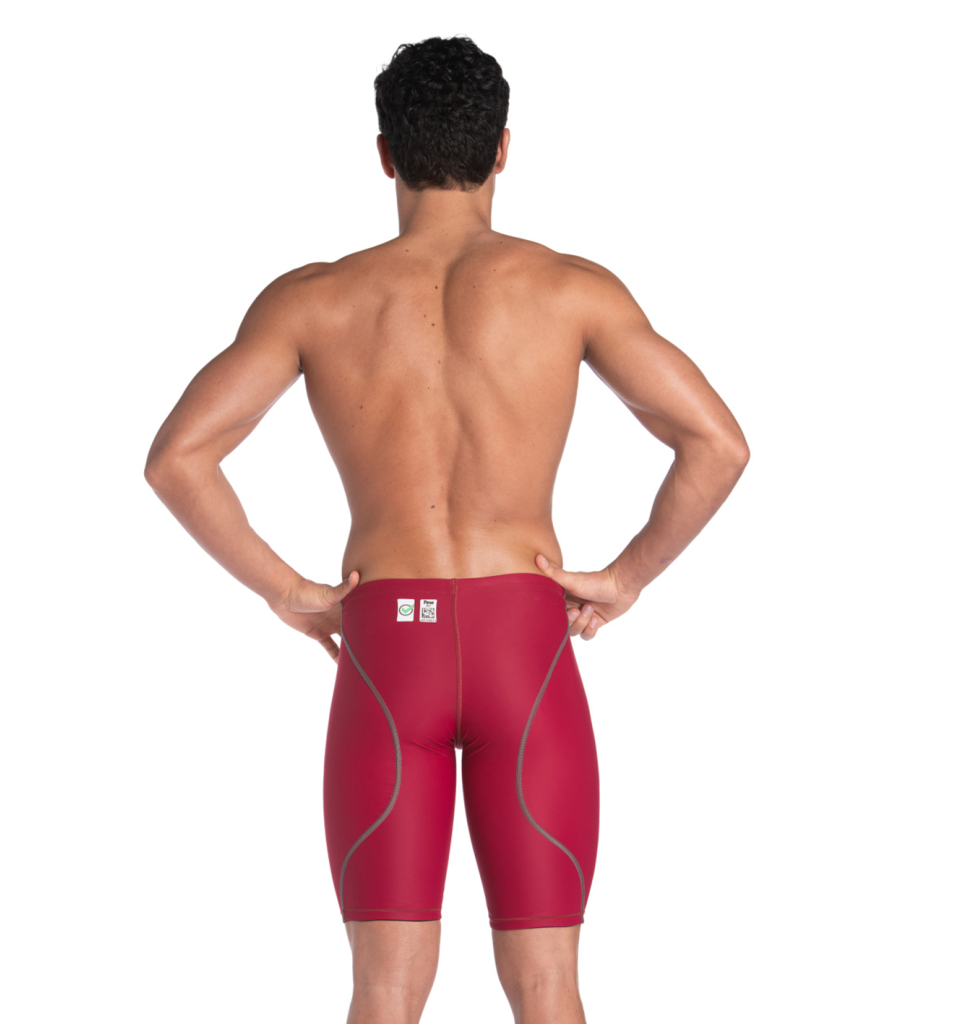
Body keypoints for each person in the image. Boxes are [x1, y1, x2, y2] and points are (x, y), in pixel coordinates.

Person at [145, 35, 749, 1024]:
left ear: (384, 153)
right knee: (548, 987)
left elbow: (178, 458)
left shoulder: (314, 300)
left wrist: (289, 590)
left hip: (389, 646)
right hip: (525, 646)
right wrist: (627, 575)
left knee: (384, 990)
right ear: (504, 148)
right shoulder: (570, 289)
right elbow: (716, 444)